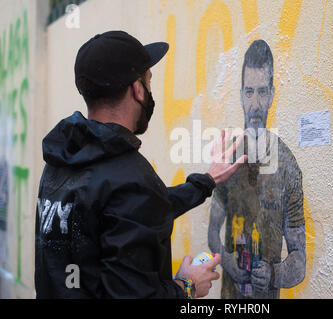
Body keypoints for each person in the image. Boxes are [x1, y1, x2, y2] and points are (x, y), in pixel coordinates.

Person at [34, 31, 247, 299]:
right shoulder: (129, 178)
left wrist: (206, 181)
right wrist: (187, 287)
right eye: (148, 81)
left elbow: (127, 213)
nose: (149, 90)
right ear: (137, 89)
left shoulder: (61, 162)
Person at [208, 39, 306, 299]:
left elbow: (299, 260)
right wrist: (226, 260)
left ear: (272, 94)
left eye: (262, 92)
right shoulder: (229, 156)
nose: (255, 103)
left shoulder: (287, 166)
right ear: (241, 95)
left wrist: (274, 274)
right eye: (249, 92)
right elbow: (212, 231)